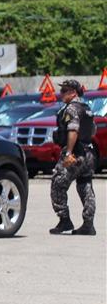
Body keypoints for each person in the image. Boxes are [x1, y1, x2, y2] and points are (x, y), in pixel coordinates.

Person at [49, 79, 96, 235]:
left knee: (57, 183)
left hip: (75, 153)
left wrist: (69, 152)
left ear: (73, 92)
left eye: (64, 91)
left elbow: (73, 130)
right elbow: (93, 131)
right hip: (89, 153)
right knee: (85, 185)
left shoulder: (72, 109)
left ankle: (64, 220)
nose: (61, 94)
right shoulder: (86, 108)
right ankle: (88, 224)